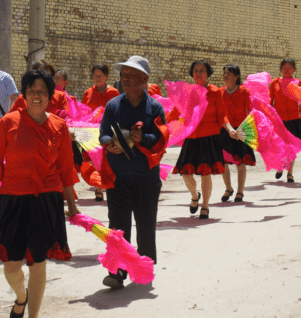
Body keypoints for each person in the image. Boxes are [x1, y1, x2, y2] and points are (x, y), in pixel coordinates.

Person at [0, 69, 78, 318]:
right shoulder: (7, 123)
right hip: (13, 198)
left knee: (39, 263)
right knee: (11, 265)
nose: (37, 95)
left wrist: (72, 206)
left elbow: (66, 169)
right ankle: (21, 296)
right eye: (31, 90)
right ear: (24, 94)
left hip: (46, 199)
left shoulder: (59, 127)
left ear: (50, 95)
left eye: (42, 90)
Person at [99, 56, 167, 289]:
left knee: (145, 224)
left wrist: (143, 138)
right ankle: (117, 272)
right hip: (118, 177)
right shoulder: (113, 105)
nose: (125, 80)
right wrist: (108, 143)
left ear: (144, 80)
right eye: (123, 76)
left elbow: (161, 140)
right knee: (118, 227)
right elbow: (103, 132)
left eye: (131, 77)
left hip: (146, 178)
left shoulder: (155, 108)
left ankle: (144, 268)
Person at [169, 60, 235, 220]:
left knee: (206, 173)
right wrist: (159, 123)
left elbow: (222, 114)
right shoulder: (187, 91)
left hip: (209, 137)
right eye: (196, 70)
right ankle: (194, 195)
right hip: (191, 137)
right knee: (185, 172)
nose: (199, 73)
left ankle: (205, 206)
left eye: (202, 71)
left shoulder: (215, 91)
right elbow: (175, 111)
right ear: (192, 74)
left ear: (208, 73)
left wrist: (230, 129)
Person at [82, 64, 120, 202]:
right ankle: (100, 185)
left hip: (107, 132)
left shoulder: (114, 93)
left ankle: (100, 189)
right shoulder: (88, 93)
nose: (97, 78)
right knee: (93, 160)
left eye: (100, 76)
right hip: (91, 132)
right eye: (95, 76)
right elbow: (83, 112)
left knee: (105, 159)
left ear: (107, 76)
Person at [219, 65, 255, 203]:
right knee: (224, 162)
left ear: (236, 77)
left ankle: (240, 191)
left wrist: (240, 130)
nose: (225, 76)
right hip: (225, 129)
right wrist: (230, 130)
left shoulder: (244, 91)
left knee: (240, 162)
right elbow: (220, 114)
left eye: (229, 73)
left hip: (242, 129)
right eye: (224, 73)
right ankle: (228, 188)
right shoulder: (220, 92)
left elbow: (251, 111)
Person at [269, 58, 301, 183]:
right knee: (279, 146)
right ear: (280, 69)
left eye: (289, 67)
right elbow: (270, 100)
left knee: (292, 147)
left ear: (294, 70)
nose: (287, 70)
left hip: (293, 119)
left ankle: (290, 174)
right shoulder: (275, 82)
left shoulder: (298, 82)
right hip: (279, 120)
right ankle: (280, 166)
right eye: (284, 67)